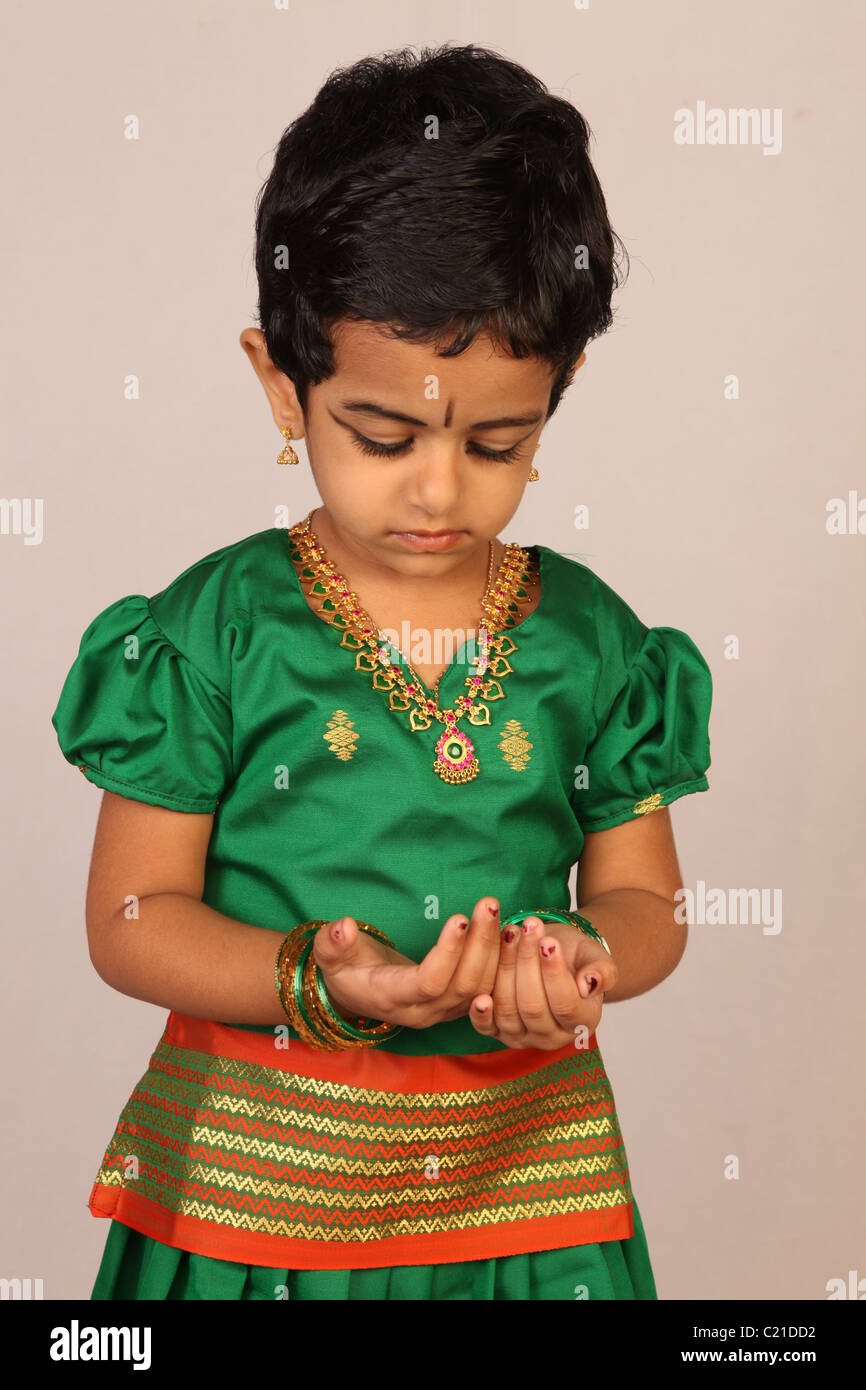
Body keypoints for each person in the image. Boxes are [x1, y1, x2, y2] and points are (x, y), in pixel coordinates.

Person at [50, 42, 712, 1301]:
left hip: (526, 1200)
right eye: (380, 432)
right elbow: (132, 922)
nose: (433, 488)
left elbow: (647, 901)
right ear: (281, 384)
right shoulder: (215, 631)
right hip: (257, 1205)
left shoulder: (592, 641)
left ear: (558, 393)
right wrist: (314, 977)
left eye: (496, 441)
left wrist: (581, 956)